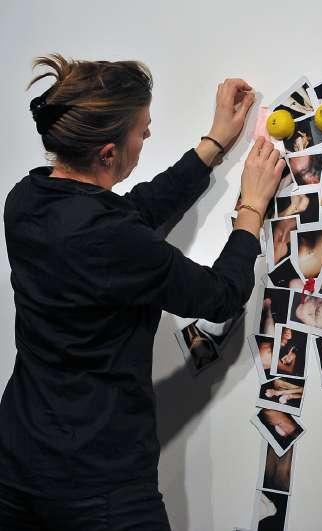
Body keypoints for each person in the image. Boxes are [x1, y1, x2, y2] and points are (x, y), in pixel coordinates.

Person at [0, 54, 285, 530]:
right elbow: (220, 295)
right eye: (142, 129)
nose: (149, 134)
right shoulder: (112, 238)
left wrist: (212, 145)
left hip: (16, 461)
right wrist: (251, 209)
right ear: (107, 154)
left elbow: (130, 214)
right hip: (98, 483)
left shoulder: (25, 199)